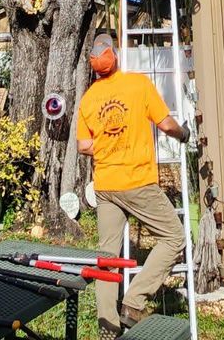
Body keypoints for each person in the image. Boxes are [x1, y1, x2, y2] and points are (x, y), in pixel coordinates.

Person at [77, 33, 189, 338]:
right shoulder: (138, 85)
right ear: (115, 55)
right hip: (138, 182)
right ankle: (134, 302)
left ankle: (107, 326)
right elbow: (166, 124)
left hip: (105, 186)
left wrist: (105, 142)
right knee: (174, 237)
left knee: (107, 258)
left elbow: (84, 145)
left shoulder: (88, 99)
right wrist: (184, 135)